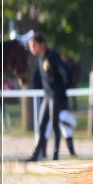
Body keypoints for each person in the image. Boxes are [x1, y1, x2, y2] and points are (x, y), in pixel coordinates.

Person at [26, 34, 68, 162]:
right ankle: (35, 155)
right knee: (41, 125)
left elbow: (65, 72)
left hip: (55, 96)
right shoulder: (40, 58)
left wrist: (61, 90)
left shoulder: (52, 56)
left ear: (42, 44)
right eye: (31, 46)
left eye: (34, 45)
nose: (32, 48)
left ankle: (55, 156)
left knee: (55, 125)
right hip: (47, 96)